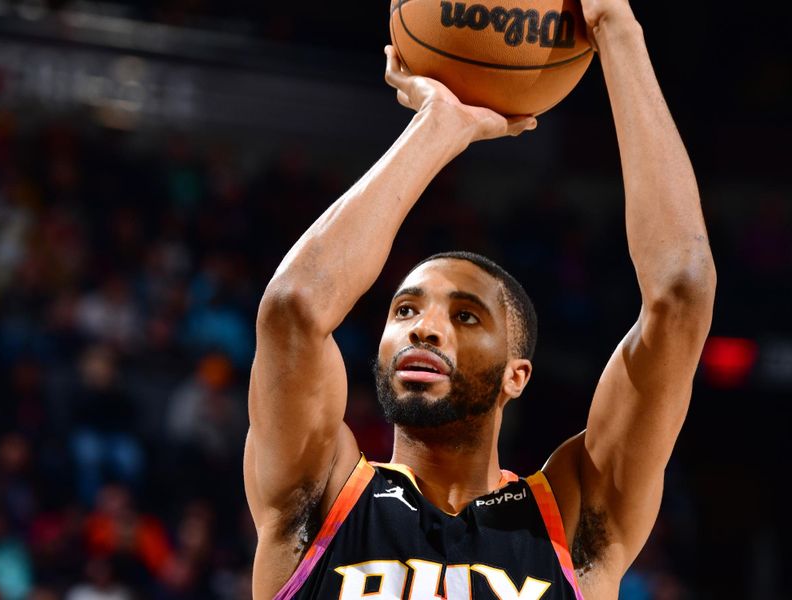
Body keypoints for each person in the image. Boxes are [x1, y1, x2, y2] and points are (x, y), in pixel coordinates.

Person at [243, 0, 717, 597]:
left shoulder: (573, 525)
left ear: (516, 376)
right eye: (405, 310)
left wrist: (617, 30)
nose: (425, 328)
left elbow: (682, 295)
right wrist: (440, 126)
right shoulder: (318, 495)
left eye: (465, 315)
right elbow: (293, 309)